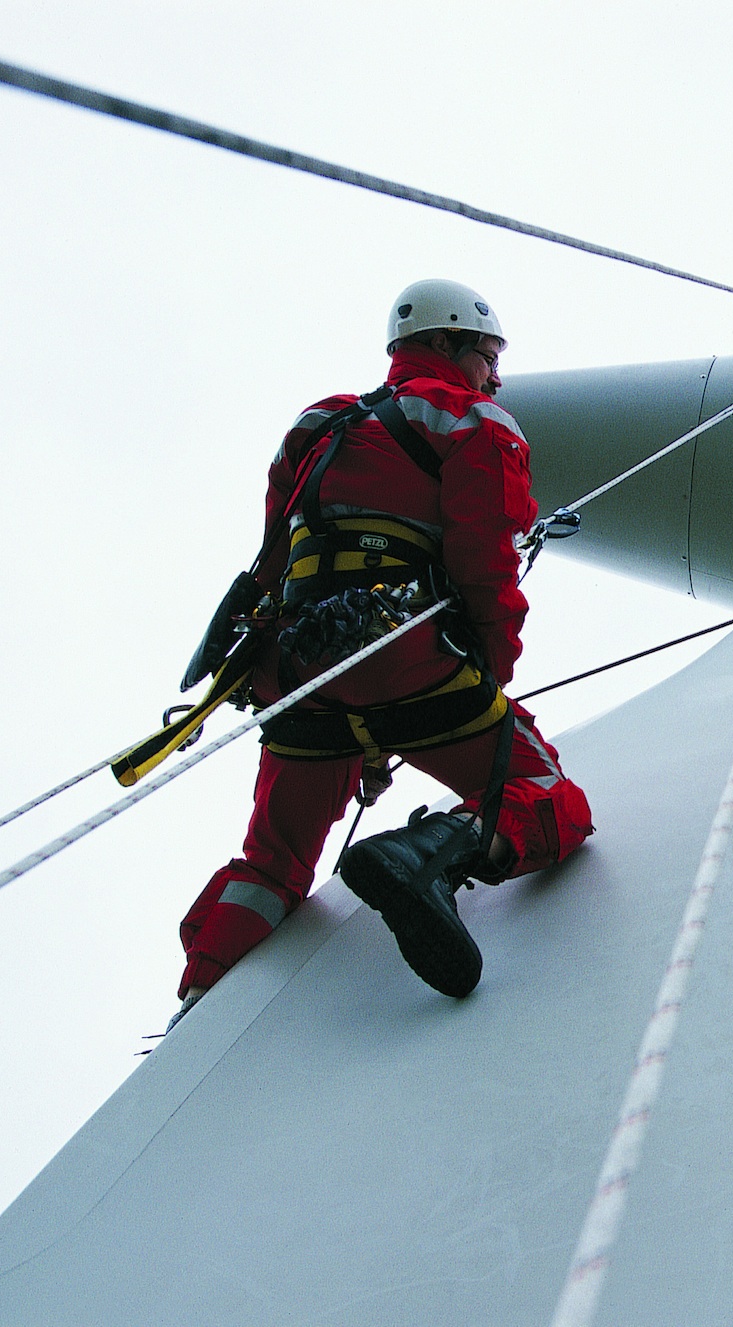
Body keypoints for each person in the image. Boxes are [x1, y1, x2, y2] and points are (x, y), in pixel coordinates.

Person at [171, 279, 594, 1024]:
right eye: (488, 355)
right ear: (448, 343)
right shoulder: (472, 419)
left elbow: (278, 549)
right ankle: (432, 852)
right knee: (548, 792)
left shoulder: (319, 424)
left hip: (299, 671)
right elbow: (487, 561)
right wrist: (487, 671)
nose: (494, 374)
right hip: (400, 654)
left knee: (271, 863)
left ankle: (199, 1000)